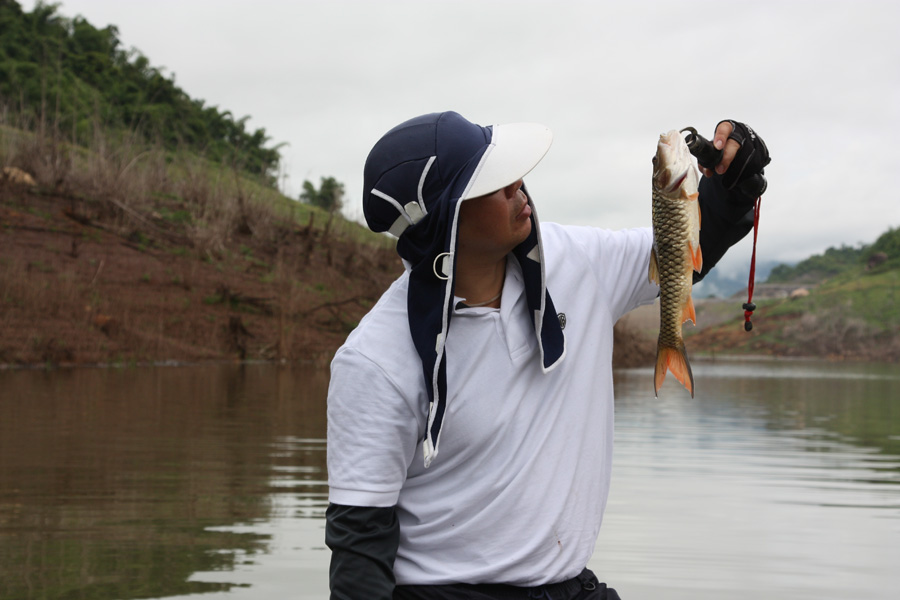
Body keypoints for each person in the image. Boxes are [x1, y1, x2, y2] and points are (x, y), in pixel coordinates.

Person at [325, 111, 771, 599]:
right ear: (447, 218)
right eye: (495, 183)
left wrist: (729, 186)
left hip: (569, 587)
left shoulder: (574, 259)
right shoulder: (374, 360)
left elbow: (682, 251)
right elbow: (360, 548)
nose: (519, 185)